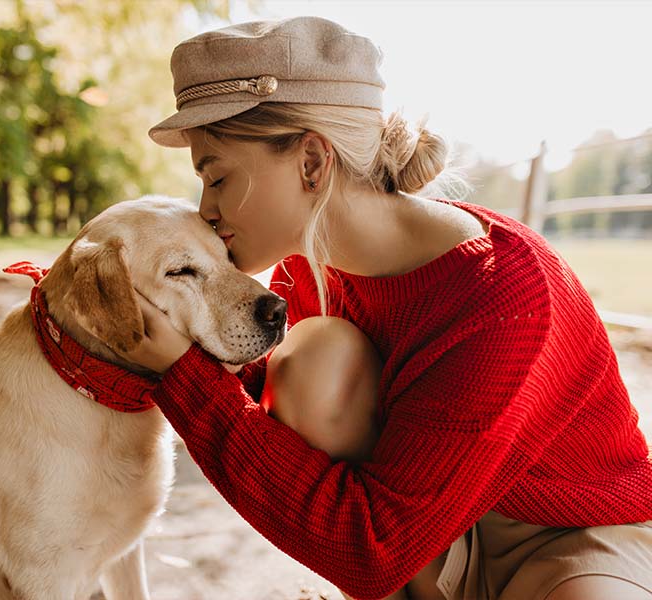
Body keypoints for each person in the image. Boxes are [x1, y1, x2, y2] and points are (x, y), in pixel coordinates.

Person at [106, 16, 652, 600]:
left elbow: (372, 549)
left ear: (311, 162)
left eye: (215, 177)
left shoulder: (506, 294)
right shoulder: (306, 273)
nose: (206, 209)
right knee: (316, 355)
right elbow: (254, 421)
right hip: (429, 550)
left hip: (565, 536)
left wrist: (181, 377)